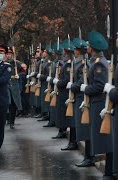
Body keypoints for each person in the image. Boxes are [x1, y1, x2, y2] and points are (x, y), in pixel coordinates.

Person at [80, 31, 113, 179]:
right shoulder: (95, 60)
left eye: (88, 45)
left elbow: (99, 86)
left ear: (92, 47)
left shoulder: (99, 63)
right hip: (95, 102)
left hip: (99, 103)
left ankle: (109, 171)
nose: (86, 46)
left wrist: (85, 89)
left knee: (104, 138)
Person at [67, 38, 94, 166]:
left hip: (82, 97)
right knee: (82, 128)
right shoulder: (78, 62)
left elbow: (82, 80)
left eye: (75, 49)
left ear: (78, 51)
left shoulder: (84, 64)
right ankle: (88, 156)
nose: (73, 51)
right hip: (78, 97)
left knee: (86, 128)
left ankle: (89, 157)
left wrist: (73, 86)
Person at [6, 47, 22, 129]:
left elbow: (22, 70)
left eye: (10, 54)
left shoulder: (16, 63)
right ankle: (7, 118)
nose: (8, 56)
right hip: (7, 84)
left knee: (14, 104)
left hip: (14, 84)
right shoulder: (4, 63)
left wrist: (18, 74)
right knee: (7, 102)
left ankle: (12, 121)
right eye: (7, 54)